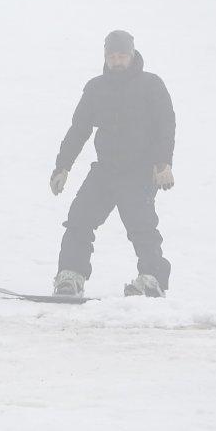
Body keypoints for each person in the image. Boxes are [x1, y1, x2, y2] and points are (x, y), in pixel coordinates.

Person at [49, 30, 176, 298]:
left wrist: (163, 163)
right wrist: (63, 166)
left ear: (132, 55)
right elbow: (79, 129)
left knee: (141, 226)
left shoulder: (151, 85)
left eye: (122, 56)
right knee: (79, 220)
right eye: (112, 56)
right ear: (105, 57)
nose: (117, 61)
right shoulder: (96, 88)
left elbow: (166, 126)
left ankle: (152, 280)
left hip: (140, 170)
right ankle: (70, 277)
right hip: (105, 170)